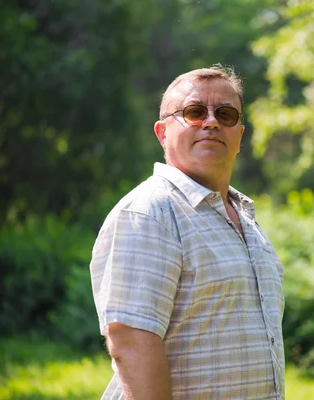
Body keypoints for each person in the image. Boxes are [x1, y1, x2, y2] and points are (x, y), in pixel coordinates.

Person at [89, 65, 285, 399]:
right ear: (162, 132)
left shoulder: (245, 218)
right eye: (194, 112)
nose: (211, 122)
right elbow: (131, 341)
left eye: (225, 114)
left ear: (240, 133)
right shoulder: (151, 211)